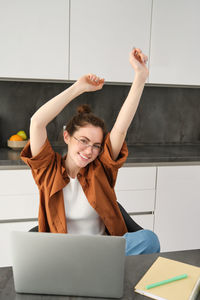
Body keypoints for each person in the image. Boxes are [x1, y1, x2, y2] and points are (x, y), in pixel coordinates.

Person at [21, 48, 160, 255]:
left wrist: (140, 76)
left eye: (96, 145)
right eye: (83, 141)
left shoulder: (101, 168)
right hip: (66, 254)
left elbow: (121, 128)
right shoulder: (47, 171)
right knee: (32, 250)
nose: (90, 151)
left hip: (104, 252)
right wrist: (78, 87)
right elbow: (37, 122)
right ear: (67, 136)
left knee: (149, 239)